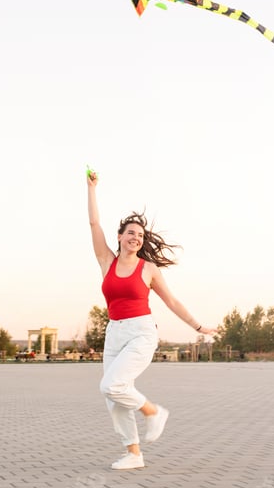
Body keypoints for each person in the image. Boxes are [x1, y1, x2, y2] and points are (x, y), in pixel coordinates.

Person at [87, 170, 217, 470]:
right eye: (131, 233)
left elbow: (171, 301)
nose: (136, 238)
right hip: (114, 332)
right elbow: (94, 223)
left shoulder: (148, 269)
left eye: (140, 235)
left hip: (141, 333)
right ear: (120, 237)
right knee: (114, 397)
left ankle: (153, 412)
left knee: (112, 385)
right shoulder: (106, 261)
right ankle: (134, 454)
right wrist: (92, 188)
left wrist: (198, 327)